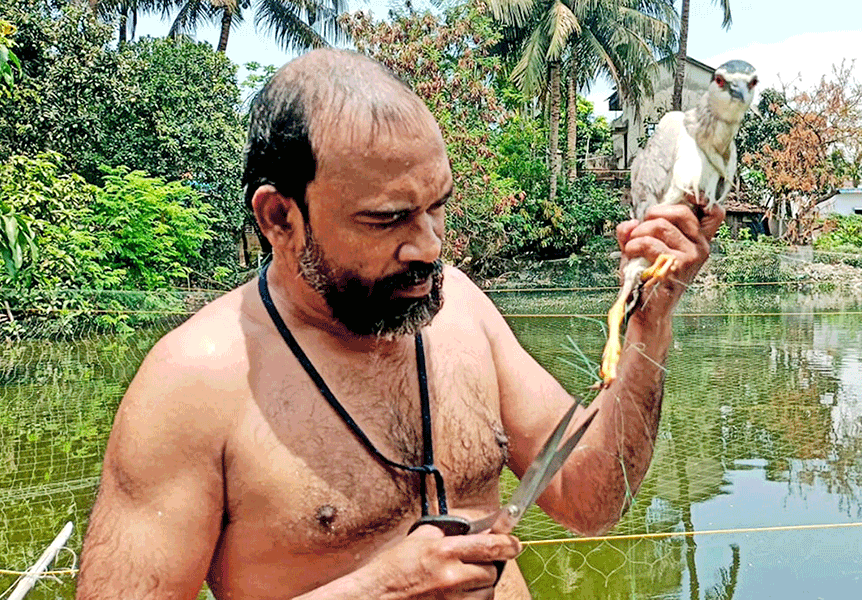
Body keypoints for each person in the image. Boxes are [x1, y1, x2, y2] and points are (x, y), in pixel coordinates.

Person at [76, 49, 724, 600]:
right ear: (279, 218)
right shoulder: (194, 383)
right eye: (387, 219)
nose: (429, 246)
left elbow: (592, 499)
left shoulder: (462, 310)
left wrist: (650, 318)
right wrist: (376, 587)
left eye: (436, 207)